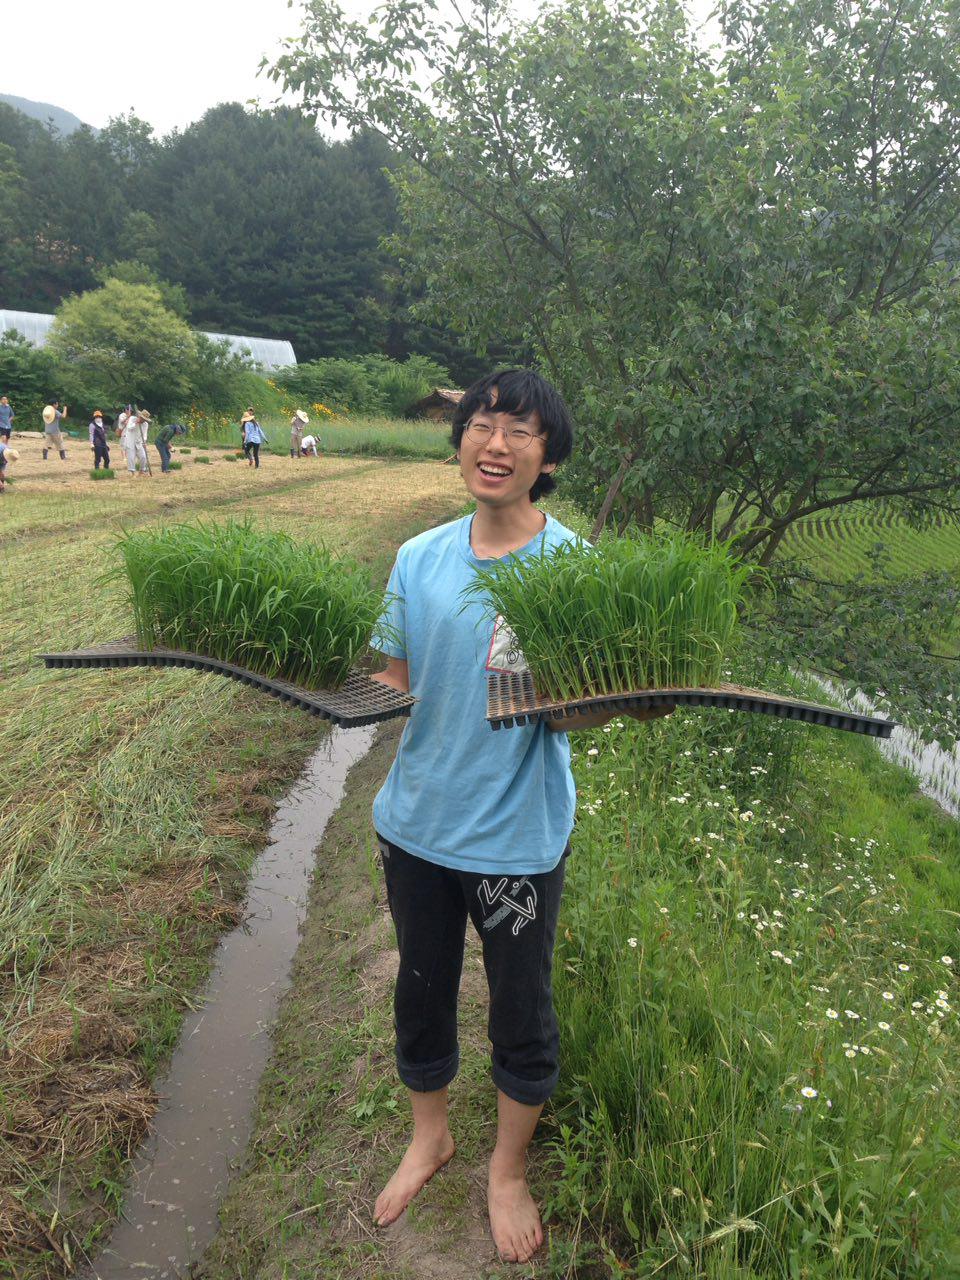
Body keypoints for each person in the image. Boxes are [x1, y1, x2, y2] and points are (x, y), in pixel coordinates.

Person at [368, 368, 672, 1263]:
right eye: (482, 423)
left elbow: (577, 707)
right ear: (460, 439)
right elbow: (391, 681)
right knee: (419, 988)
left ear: (547, 459)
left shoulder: (573, 566)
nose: (495, 442)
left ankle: (506, 1169)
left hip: (514, 840)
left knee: (520, 1007)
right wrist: (306, 684)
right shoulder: (419, 557)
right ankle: (431, 1136)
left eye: (521, 432)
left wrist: (621, 702)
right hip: (414, 828)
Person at [120, 408, 151, 476]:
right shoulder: (132, 419)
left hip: (139, 442)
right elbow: (129, 428)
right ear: (139, 416)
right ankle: (133, 473)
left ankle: (141, 471)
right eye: (142, 419)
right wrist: (136, 423)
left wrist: (144, 442)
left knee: (143, 457)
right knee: (131, 458)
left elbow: (144, 435)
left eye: (145, 419)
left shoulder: (145, 424)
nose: (143, 420)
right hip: (130, 441)